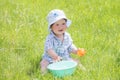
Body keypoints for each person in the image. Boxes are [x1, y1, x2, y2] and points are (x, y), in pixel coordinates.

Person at [40, 9, 85, 74]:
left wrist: (76, 51)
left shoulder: (67, 36)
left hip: (64, 57)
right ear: (51, 27)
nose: (60, 27)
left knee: (76, 61)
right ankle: (43, 74)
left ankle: (84, 72)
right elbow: (48, 49)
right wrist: (55, 56)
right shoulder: (50, 38)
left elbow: (70, 46)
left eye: (63, 24)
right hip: (51, 58)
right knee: (43, 63)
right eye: (57, 25)